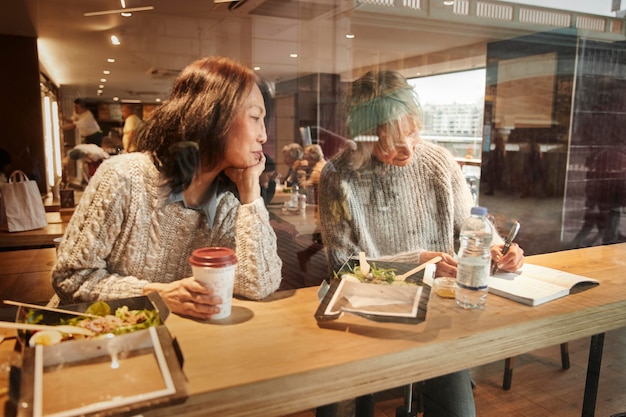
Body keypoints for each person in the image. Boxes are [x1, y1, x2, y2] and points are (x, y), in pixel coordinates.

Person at [318, 69, 524, 417]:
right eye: (391, 140)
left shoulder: (438, 163)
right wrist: (417, 261)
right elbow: (342, 267)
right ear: (364, 135)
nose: (407, 147)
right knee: (340, 408)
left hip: (438, 310)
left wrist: (497, 248)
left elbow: (473, 228)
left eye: (412, 131)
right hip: (368, 312)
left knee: (459, 413)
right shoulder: (337, 177)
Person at [52, 56, 283, 320]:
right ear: (212, 116)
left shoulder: (227, 205)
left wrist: (251, 191)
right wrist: (156, 295)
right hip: (89, 339)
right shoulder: (124, 177)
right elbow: (71, 278)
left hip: (171, 341)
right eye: (255, 117)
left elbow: (259, 285)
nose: (263, 135)